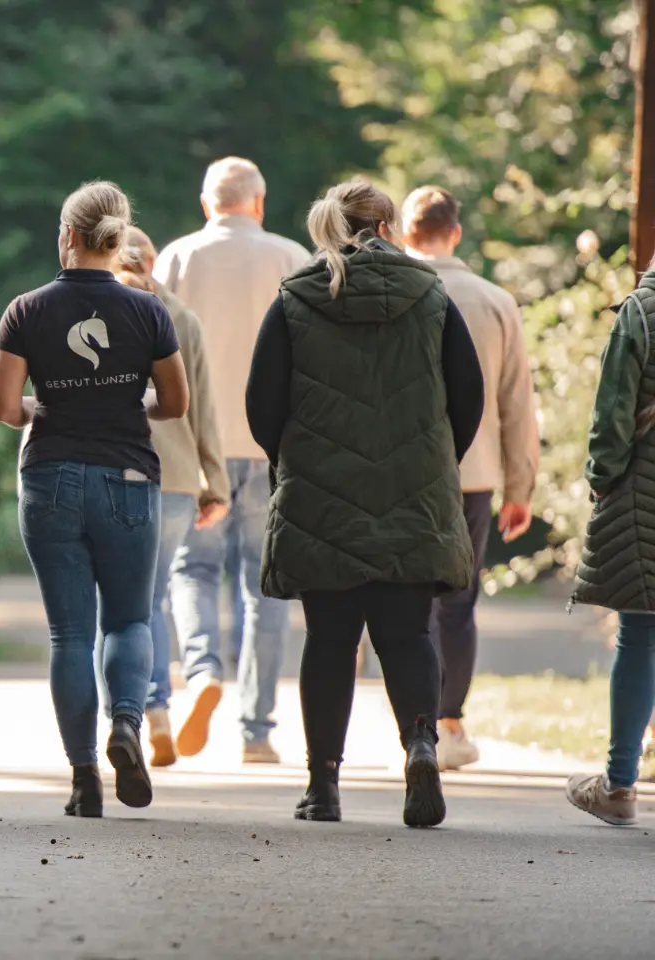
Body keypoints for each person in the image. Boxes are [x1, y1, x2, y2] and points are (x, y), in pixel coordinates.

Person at [245, 179, 483, 826]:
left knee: (329, 641)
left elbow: (262, 405)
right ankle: (421, 746)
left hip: (321, 498)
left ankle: (323, 788)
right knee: (407, 635)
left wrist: (296, 460)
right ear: (390, 226)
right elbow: (468, 394)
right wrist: (434, 460)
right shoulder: (431, 295)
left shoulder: (297, 299)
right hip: (415, 491)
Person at [0, 181, 189, 817]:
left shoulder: (26, 309)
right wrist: (129, 404)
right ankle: (127, 723)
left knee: (69, 634)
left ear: (68, 237)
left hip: (50, 474)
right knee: (130, 619)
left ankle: (82, 778)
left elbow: (3, 407)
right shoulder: (148, 311)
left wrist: (43, 405)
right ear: (116, 239)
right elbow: (176, 403)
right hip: (128, 474)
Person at [153, 158, 308, 765]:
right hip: (273, 449)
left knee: (192, 571)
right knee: (264, 589)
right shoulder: (293, 258)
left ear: (205, 203)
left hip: (198, 447)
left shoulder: (178, 258)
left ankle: (202, 671)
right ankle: (257, 732)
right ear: (260, 203)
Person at [401, 186, 540, 771]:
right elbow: (516, 402)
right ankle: (451, 723)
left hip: (403, 474)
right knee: (459, 603)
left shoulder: (398, 297)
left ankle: (415, 727)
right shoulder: (495, 300)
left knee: (408, 605)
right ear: (455, 232)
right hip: (476, 475)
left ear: (405, 235)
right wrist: (520, 487)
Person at [111, 227, 230, 766]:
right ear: (155, 262)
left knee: (114, 607)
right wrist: (216, 481)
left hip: (111, 471)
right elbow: (202, 404)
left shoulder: (98, 310)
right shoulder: (180, 315)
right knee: (152, 599)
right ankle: (157, 705)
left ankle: (135, 714)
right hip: (178, 479)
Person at [565, 254, 655, 826]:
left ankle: (620, 786)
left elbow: (615, 408)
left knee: (641, 633)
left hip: (645, 488)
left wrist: (601, 476)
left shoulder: (643, 310)